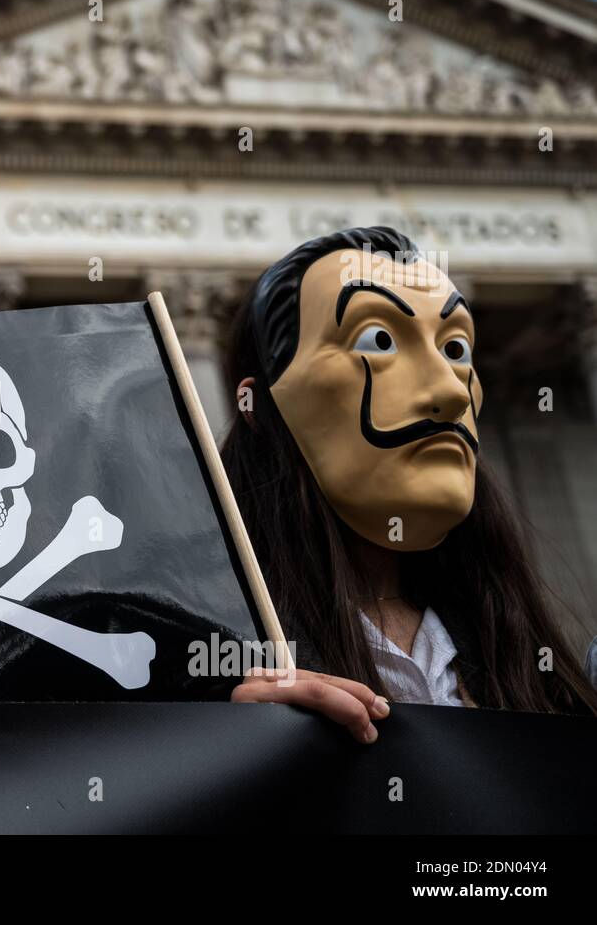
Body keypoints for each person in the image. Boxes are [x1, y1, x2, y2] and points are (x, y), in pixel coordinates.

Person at [222, 225, 597, 741]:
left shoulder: (525, 659)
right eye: (378, 340)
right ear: (258, 405)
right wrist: (214, 750)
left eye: (456, 348)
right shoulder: (212, 660)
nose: (450, 391)